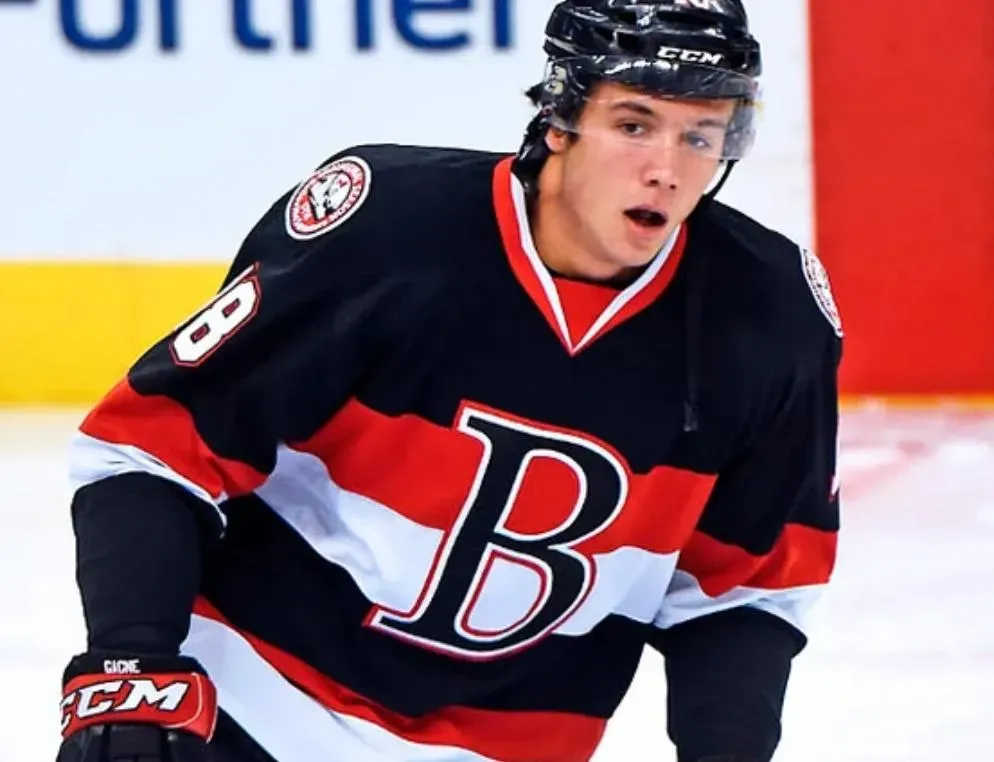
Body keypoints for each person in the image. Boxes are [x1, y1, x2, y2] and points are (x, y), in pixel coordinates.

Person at [57, 1, 843, 761]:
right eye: (634, 124)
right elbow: (156, 448)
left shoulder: (768, 320)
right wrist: (132, 657)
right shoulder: (386, 231)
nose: (667, 171)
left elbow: (746, 589)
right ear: (560, 117)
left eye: (701, 135)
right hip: (244, 708)